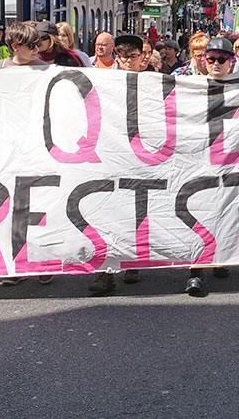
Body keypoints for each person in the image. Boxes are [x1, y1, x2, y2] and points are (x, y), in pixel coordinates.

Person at [88, 34, 145, 295]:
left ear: (141, 56)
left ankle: (132, 260)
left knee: (133, 212)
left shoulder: (151, 81)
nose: (127, 61)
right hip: (108, 155)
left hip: (138, 159)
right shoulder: (103, 80)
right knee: (104, 213)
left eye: (132, 56)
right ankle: (104, 271)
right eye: (123, 56)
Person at [185, 36, 236, 296]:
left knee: (224, 212)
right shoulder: (190, 86)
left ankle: (221, 258)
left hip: (229, 162)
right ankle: (195, 271)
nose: (215, 63)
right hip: (197, 160)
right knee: (197, 213)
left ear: (231, 62)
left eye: (221, 59)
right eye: (211, 59)